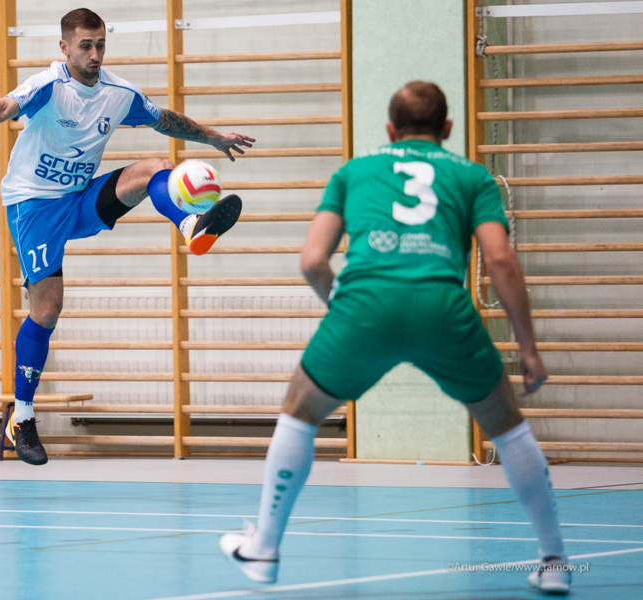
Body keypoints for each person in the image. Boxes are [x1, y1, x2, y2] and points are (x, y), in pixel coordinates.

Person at [219, 81, 570, 596]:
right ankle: (555, 560)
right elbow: (500, 260)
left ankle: (264, 547)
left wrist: (342, 305)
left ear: (389, 130)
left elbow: (312, 260)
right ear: (447, 129)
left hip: (365, 306)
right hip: (442, 309)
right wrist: (529, 347)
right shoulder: (472, 176)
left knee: (300, 409)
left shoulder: (354, 171)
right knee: (506, 427)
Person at [0, 8, 255, 466]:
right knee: (47, 309)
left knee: (155, 166)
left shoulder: (118, 93)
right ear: (65, 48)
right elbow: (5, 107)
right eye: (86, 46)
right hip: (33, 204)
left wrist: (212, 137)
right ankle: (23, 416)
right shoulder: (48, 86)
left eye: (101, 45)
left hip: (80, 197)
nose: (94, 54)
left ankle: (191, 225)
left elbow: (165, 119)